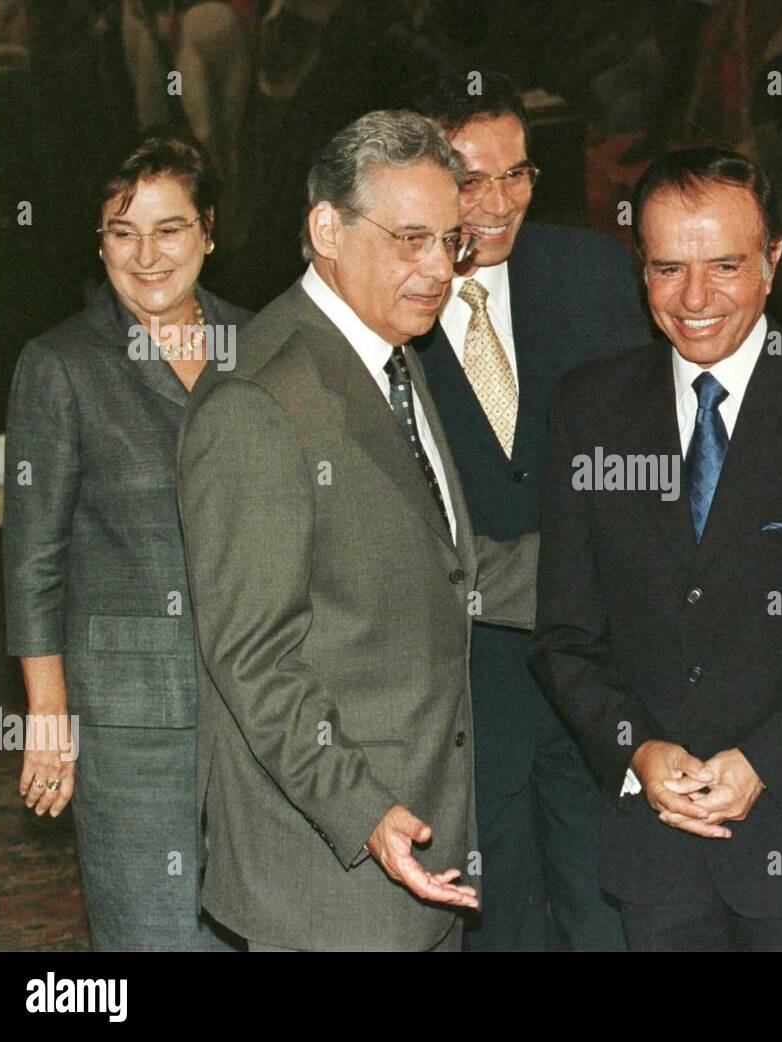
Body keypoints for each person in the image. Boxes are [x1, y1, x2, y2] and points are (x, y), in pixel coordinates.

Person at [529, 147, 782, 951]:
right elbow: (565, 637)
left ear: (773, 260)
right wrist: (637, 750)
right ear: (640, 268)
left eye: (726, 265)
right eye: (668, 268)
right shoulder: (589, 410)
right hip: (656, 853)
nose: (696, 297)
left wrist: (765, 762)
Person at [176, 110, 538, 951]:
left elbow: (447, 568)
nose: (435, 270)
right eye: (409, 239)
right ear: (325, 229)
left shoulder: (389, 353)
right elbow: (253, 656)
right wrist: (364, 811)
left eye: (450, 242)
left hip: (423, 856)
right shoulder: (258, 403)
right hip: (329, 878)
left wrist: (621, 567)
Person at [411, 69, 650, 951]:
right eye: (473, 180)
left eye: (519, 174)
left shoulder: (594, 274)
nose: (500, 201)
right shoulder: (394, 305)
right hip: (461, 694)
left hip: (591, 676)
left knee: (607, 917)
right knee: (497, 927)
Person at [2, 131, 251, 950]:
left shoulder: (264, 347)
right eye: (122, 231)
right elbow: (33, 557)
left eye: (169, 228)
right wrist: (48, 716)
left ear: (209, 230)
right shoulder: (62, 365)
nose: (146, 255)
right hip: (132, 726)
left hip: (264, 716)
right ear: (99, 241)